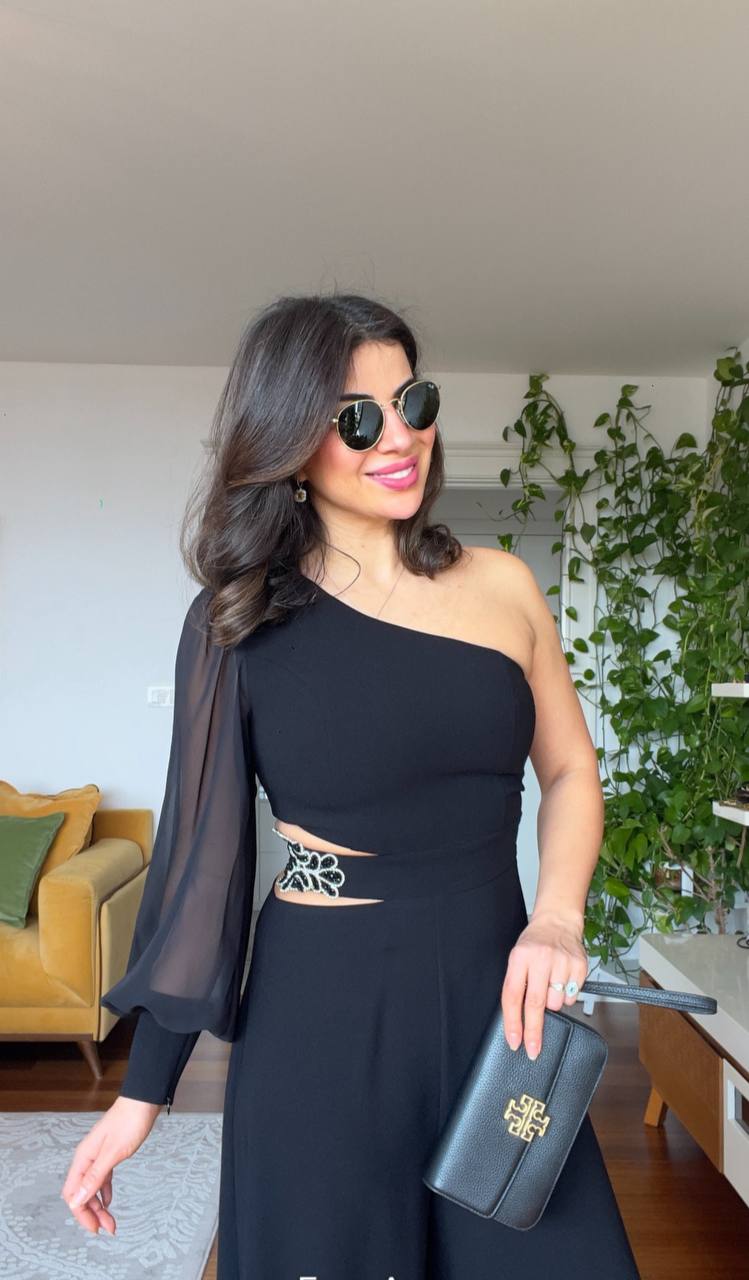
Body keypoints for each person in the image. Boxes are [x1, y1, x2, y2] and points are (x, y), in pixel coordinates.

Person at [61, 291, 641, 1278]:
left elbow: (569, 767)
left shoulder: (502, 586)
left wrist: (556, 917)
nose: (399, 435)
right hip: (323, 1012)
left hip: (499, 1001)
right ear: (290, 443)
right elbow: (201, 869)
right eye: (356, 419)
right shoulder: (237, 621)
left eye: (411, 401)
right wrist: (140, 1094)